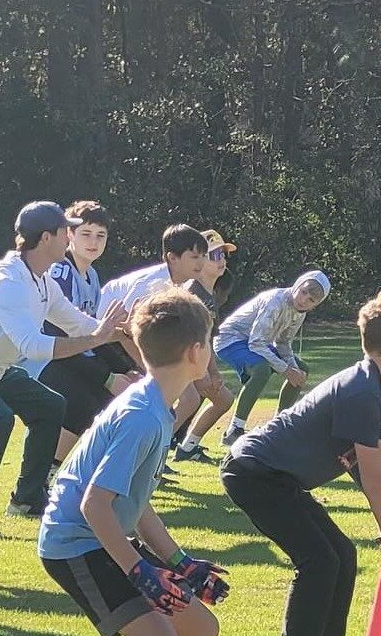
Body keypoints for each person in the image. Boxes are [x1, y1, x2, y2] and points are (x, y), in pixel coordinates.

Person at [40, 288, 227, 636]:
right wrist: (140, 571)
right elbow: (95, 506)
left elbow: (135, 501)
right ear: (195, 351)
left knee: (199, 629)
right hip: (76, 544)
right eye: (210, 342)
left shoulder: (158, 405)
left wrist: (178, 562)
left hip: (104, 537)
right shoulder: (144, 415)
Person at [220, 291, 381, 636]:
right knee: (318, 560)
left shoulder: (375, 386)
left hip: (275, 477)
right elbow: (374, 472)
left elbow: (373, 466)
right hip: (255, 474)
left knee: (341, 554)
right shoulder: (362, 391)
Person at [0, 201, 126, 536]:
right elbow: (33, 346)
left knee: (50, 405)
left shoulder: (41, 280)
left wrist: (119, 330)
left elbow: (77, 323)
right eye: (66, 231)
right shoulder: (7, 282)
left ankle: (27, 500)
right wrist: (96, 337)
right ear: (47, 237)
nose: (70, 238)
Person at [33, 201, 141, 474]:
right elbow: (58, 334)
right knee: (82, 404)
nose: (93, 242)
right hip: (43, 356)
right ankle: (44, 476)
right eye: (86, 234)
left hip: (70, 355)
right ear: (69, 235)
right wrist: (107, 377)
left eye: (100, 235)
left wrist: (125, 369)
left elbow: (93, 334)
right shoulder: (60, 272)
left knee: (111, 402)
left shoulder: (91, 275)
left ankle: (88, 474)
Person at [97, 223, 210, 445]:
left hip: (124, 341)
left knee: (188, 398)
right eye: (195, 256)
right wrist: (151, 366)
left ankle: (156, 447)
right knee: (183, 397)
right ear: (172, 258)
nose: (201, 262)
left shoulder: (181, 283)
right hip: (103, 341)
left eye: (204, 256)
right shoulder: (152, 284)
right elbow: (123, 329)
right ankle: (152, 446)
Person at [215, 271, 331, 446]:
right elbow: (256, 343)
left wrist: (293, 368)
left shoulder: (300, 312)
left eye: (311, 300)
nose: (303, 300)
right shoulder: (275, 302)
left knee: (301, 369)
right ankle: (234, 430)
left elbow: (283, 343)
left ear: (315, 305)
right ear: (298, 285)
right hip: (230, 339)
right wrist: (286, 370)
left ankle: (279, 427)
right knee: (261, 369)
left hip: (257, 342)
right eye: (303, 292)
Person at [174, 229, 238, 463]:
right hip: (176, 358)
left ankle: (187, 448)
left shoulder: (209, 294)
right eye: (215, 255)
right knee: (190, 400)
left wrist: (213, 372)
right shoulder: (193, 292)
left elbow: (206, 339)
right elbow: (186, 338)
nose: (221, 261)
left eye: (223, 254)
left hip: (194, 359)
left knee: (224, 399)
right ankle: (154, 455)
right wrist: (204, 372)